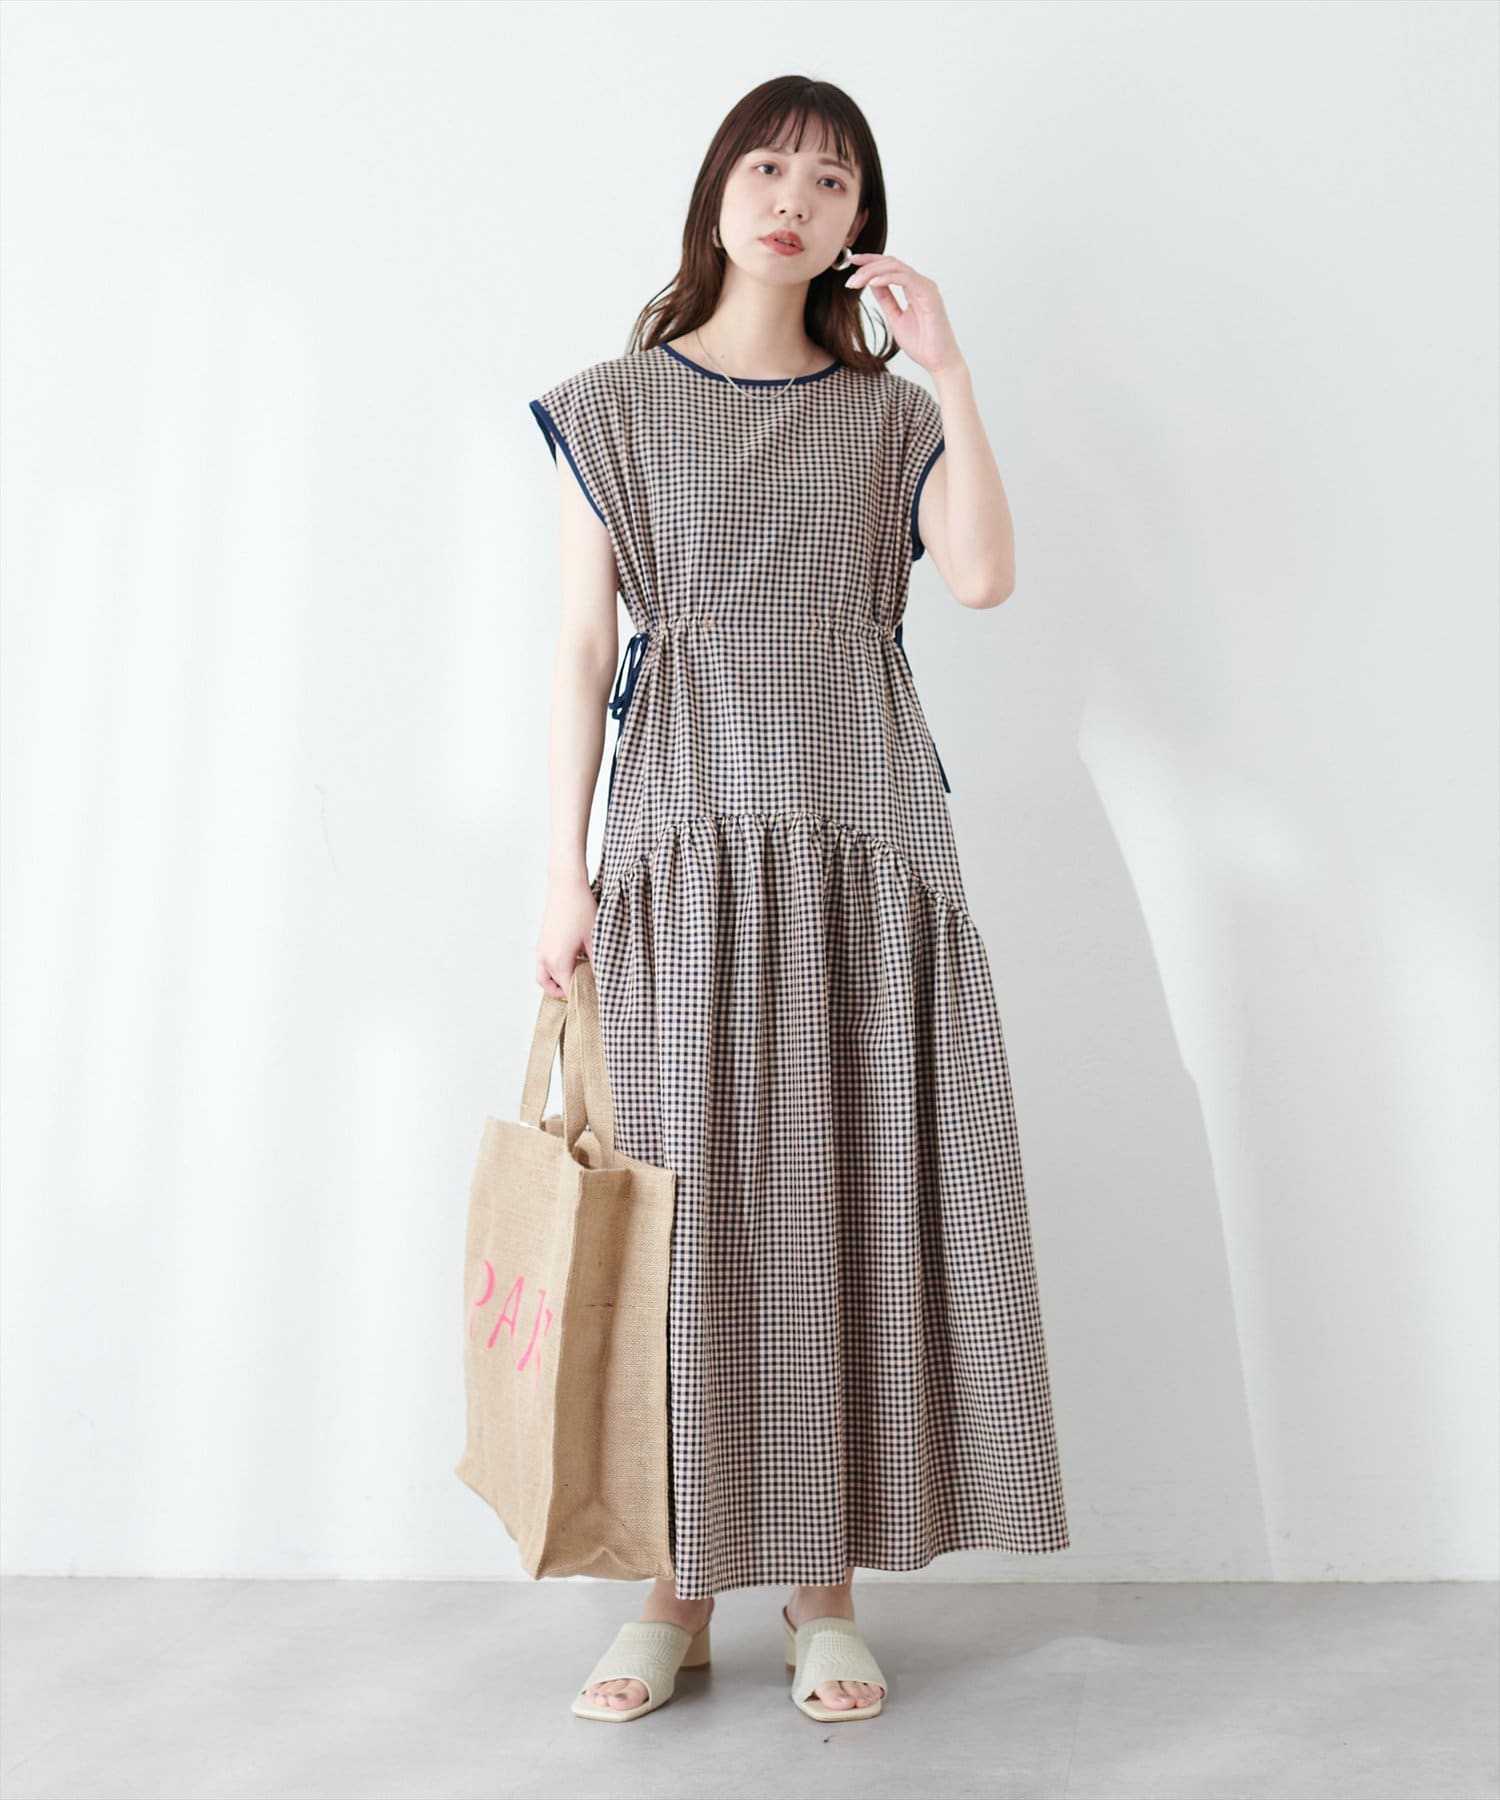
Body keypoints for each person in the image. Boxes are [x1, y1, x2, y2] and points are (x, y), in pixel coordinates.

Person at [529, 76, 1070, 1725]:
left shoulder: (891, 418)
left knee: (843, 1200)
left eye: (830, 182)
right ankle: (674, 1591)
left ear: (859, 224)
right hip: (683, 842)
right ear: (718, 192)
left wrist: (951, 368)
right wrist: (559, 868)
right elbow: (582, 648)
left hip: (861, 842)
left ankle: (821, 1591)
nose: (793, 199)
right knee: (687, 1216)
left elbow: (982, 577)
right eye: (768, 167)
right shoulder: (615, 406)